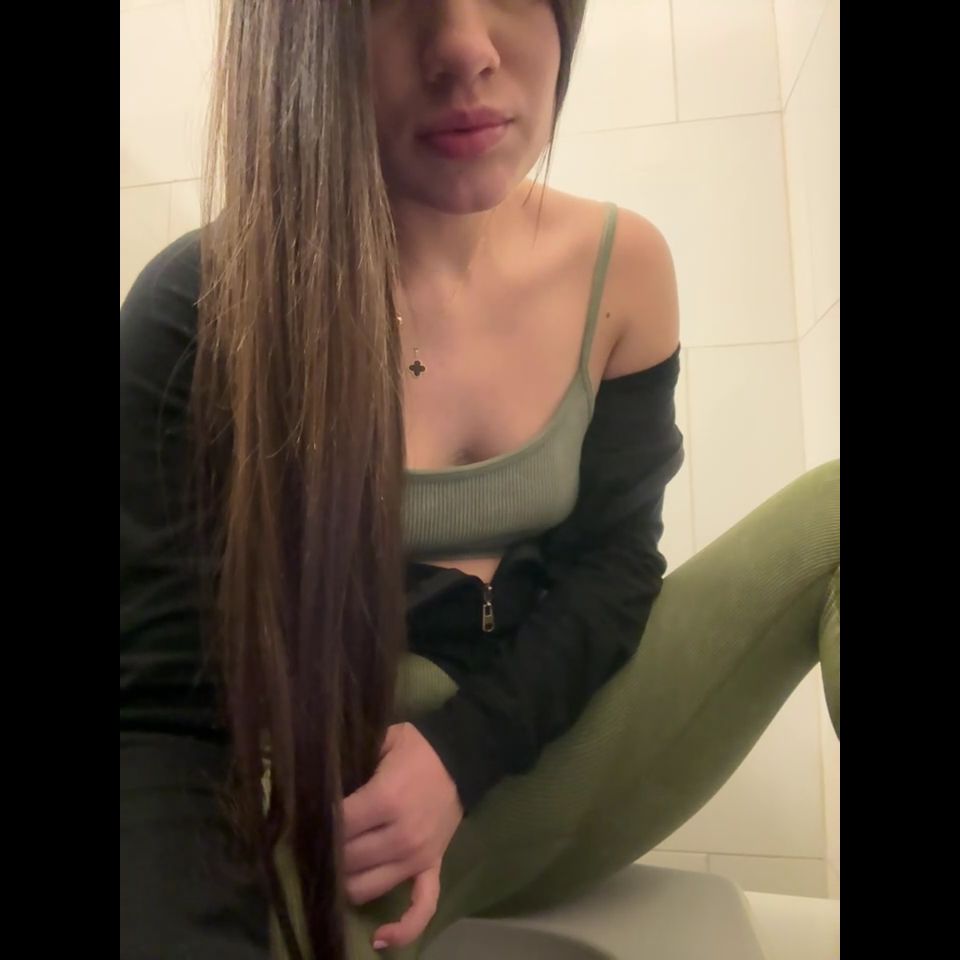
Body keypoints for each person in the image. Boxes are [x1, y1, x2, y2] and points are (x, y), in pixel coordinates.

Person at [120, 2, 840, 958]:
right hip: (335, 827)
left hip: (537, 766)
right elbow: (162, 719)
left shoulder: (623, 269)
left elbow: (615, 570)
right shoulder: (202, 307)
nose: (465, 48)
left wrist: (460, 758)